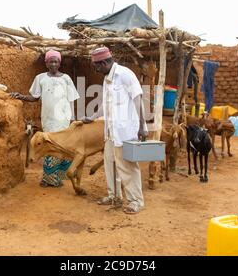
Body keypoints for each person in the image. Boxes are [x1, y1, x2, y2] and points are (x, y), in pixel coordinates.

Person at [82, 47, 148, 214]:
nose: (96, 69)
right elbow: (106, 105)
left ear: (104, 62)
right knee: (110, 164)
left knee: (127, 167)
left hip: (125, 132)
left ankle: (136, 201)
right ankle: (114, 197)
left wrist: (142, 126)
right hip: (111, 132)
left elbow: (138, 99)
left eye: (96, 66)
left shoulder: (125, 75)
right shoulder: (107, 79)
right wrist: (93, 117)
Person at [11, 50, 79, 187]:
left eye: (56, 61)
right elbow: (35, 97)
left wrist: (72, 118)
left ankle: (61, 176)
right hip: (48, 119)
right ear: (46, 63)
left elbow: (71, 99)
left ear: (59, 63)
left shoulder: (66, 79)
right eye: (51, 61)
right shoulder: (40, 78)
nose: (53, 64)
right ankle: (49, 179)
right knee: (49, 145)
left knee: (63, 146)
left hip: (64, 119)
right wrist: (21, 96)